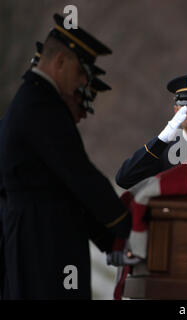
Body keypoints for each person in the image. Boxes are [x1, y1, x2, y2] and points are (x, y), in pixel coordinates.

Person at [0, 13, 131, 299]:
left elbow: (72, 189)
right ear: (60, 62)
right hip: (41, 243)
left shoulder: (36, 101)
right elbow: (81, 177)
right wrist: (127, 227)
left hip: (42, 237)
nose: (83, 81)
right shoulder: (40, 106)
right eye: (81, 72)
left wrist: (112, 240)